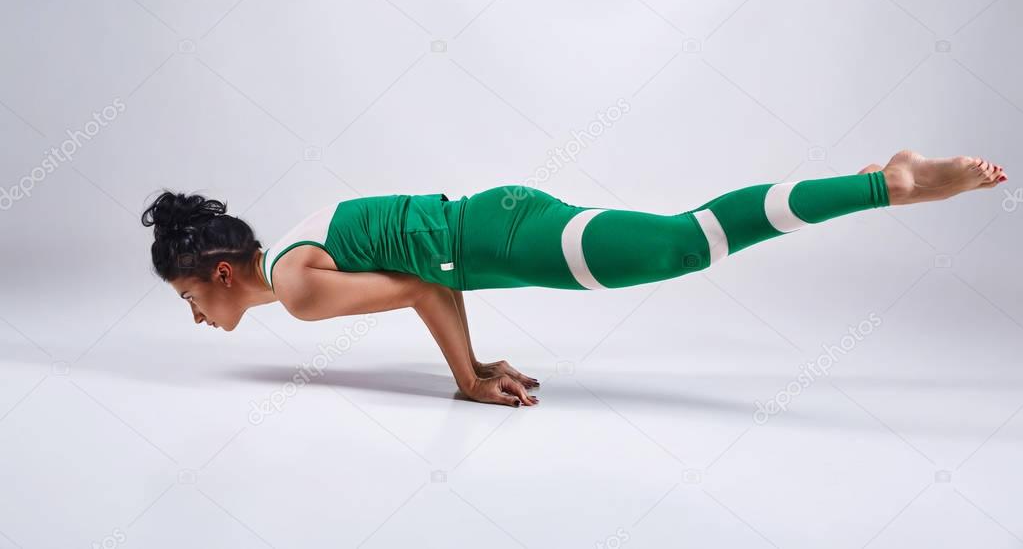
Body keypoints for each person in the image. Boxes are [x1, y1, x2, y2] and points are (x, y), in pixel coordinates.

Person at [141, 150, 1006, 408]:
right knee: (679, 244)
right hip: (500, 226)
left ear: (219, 272)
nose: (197, 317)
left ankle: (883, 184)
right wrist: (473, 369)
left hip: (504, 233)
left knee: (681, 244)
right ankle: (870, 183)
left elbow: (420, 289)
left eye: (190, 300)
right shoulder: (295, 250)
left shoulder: (295, 287)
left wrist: (468, 380)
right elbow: (423, 280)